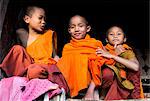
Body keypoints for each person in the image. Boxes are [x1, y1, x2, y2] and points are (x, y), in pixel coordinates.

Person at [0, 5, 69, 100]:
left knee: (36, 70)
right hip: (28, 65)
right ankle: (24, 76)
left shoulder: (49, 34)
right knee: (17, 49)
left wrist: (61, 61)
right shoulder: (21, 33)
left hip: (41, 66)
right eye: (40, 18)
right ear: (27, 19)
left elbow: (54, 56)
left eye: (45, 19)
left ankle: (29, 76)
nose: (44, 22)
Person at [57, 15, 114, 100]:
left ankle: (94, 91)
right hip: (77, 80)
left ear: (88, 29)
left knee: (105, 70)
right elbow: (66, 67)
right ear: (69, 30)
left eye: (80, 26)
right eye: (73, 27)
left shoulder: (95, 43)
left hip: (94, 80)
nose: (76, 29)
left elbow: (101, 61)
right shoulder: (68, 47)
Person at [96, 25, 144, 100]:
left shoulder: (127, 51)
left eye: (119, 34)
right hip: (106, 83)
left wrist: (113, 56)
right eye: (111, 34)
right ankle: (103, 94)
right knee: (107, 72)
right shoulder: (103, 50)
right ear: (107, 40)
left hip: (124, 83)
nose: (115, 36)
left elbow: (135, 67)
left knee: (133, 71)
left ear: (124, 39)